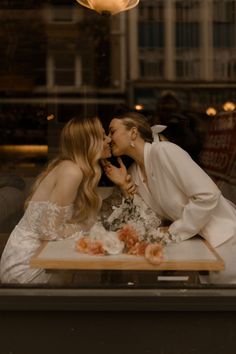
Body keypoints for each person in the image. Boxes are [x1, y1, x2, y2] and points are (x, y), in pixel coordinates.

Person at [104, 111, 236, 284]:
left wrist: (175, 230)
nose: (107, 138)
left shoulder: (164, 151)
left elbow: (207, 194)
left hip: (224, 240)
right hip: (196, 248)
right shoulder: (134, 173)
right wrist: (123, 186)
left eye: (112, 131)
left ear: (133, 132)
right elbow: (145, 222)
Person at [0, 116, 133, 284]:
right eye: (102, 136)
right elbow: (49, 231)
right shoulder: (72, 172)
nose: (108, 139)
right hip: (28, 265)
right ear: (88, 142)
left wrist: (121, 186)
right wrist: (89, 229)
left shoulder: (75, 169)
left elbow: (95, 217)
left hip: (40, 257)